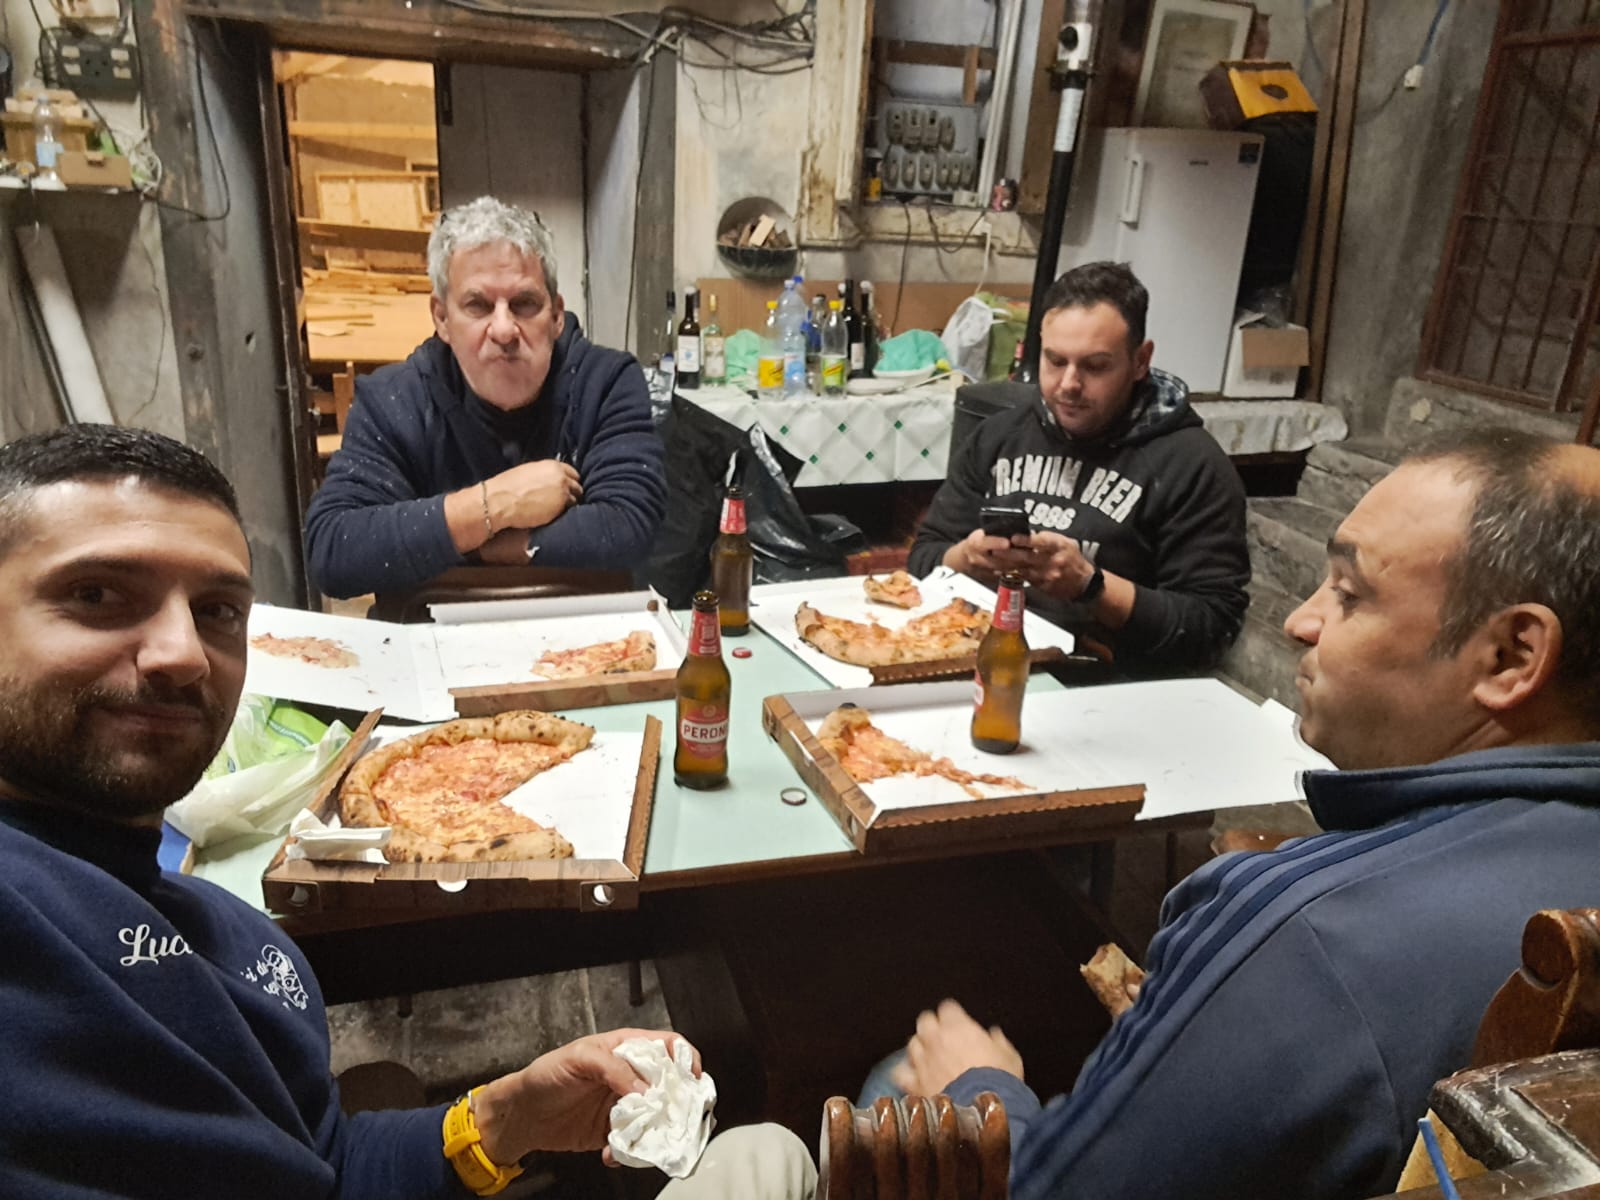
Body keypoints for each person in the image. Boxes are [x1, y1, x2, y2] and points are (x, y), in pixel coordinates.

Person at [0, 424, 812, 1199]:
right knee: (776, 1155)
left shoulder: (221, 925)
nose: (181, 653)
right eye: (96, 595)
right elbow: (342, 547)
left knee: (765, 1149)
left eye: (216, 610)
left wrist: (500, 1119)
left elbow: (323, 1166)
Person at [881, 427, 1600, 1200]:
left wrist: (981, 1086)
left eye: (1349, 594)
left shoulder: (1307, 936)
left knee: (890, 1084)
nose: (1300, 622)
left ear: (1511, 657)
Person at [304, 196, 667, 599]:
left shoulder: (606, 382)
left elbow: (631, 525)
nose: (504, 329)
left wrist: (482, 545)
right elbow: (334, 550)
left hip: (580, 625)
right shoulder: (394, 400)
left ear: (556, 315)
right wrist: (497, 503)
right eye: (477, 305)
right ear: (442, 318)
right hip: (428, 627)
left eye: (524, 304)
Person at [908, 261, 1249, 673]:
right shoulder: (998, 436)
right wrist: (967, 558)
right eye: (1055, 361)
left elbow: (1210, 630)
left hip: (1113, 684)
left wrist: (1091, 586)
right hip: (981, 657)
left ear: (1141, 361)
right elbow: (923, 559)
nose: (1069, 384)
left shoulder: (1192, 465)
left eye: (1095, 366)